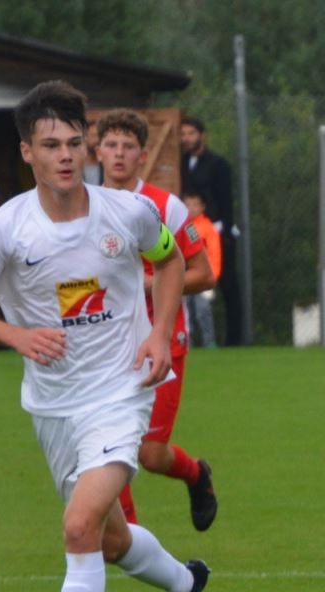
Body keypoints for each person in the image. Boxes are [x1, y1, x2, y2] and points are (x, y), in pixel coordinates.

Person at [0, 81, 210, 592]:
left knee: (79, 525)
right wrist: (17, 336)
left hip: (122, 393)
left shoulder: (128, 212)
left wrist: (159, 334)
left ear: (85, 147)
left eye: (73, 143)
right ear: (27, 152)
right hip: (54, 406)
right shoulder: (4, 228)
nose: (65, 156)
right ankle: (184, 584)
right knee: (111, 539)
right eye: (50, 145)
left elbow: (172, 262)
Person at [95, 110, 220, 532]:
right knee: (110, 447)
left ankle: (196, 474)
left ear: (143, 155)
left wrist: (152, 283)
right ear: (97, 152)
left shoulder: (166, 207)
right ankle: (130, 538)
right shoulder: (84, 208)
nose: (119, 153)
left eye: (128, 146)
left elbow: (204, 274)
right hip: (107, 345)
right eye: (111, 145)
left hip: (163, 340)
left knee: (150, 454)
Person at [178, 116, 239, 345]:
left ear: (202, 136)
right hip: (190, 232)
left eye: (191, 133)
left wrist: (224, 229)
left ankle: (234, 340)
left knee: (228, 286)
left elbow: (226, 198)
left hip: (216, 231)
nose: (186, 138)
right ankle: (190, 338)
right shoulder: (181, 163)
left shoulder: (218, 164)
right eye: (183, 134)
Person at [182, 190, 222, 347]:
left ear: (202, 207)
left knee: (202, 310)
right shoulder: (181, 226)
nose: (191, 208)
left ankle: (209, 342)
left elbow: (214, 254)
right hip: (184, 277)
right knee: (186, 312)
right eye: (188, 204)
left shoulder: (207, 228)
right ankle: (187, 342)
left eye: (195, 204)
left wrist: (212, 276)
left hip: (203, 277)